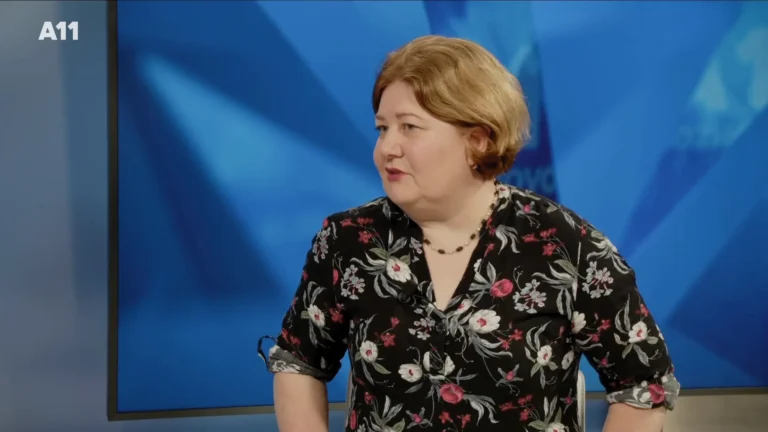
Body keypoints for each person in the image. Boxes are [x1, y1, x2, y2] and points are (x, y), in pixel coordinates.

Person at [263, 35, 679, 432]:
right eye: (382, 128)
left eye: (409, 127)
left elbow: (643, 385)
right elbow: (299, 363)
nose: (387, 148)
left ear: (478, 140)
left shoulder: (566, 245)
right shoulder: (347, 240)